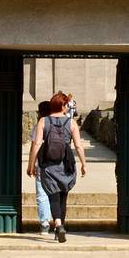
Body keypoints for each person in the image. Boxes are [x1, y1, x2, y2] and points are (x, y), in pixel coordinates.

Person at [28, 91, 87, 243]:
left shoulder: (43, 121)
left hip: (48, 165)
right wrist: (83, 164)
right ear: (62, 105)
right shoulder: (71, 123)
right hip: (66, 164)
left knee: (53, 195)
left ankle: (58, 225)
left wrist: (31, 165)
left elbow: (36, 144)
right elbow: (79, 146)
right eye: (66, 104)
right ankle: (60, 226)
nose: (67, 107)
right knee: (63, 197)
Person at [30, 100, 53, 235]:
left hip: (42, 164)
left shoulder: (39, 125)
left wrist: (31, 165)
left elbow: (35, 146)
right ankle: (58, 222)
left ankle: (44, 223)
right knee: (55, 194)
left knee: (42, 194)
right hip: (57, 164)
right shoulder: (59, 124)